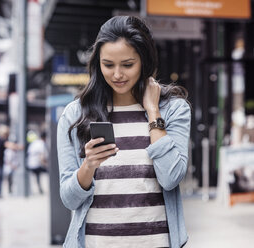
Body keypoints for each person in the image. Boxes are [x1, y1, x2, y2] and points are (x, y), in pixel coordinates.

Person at [57, 16, 191, 248]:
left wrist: (152, 111)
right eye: (108, 65)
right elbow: (69, 200)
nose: (117, 74)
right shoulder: (76, 115)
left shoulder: (172, 110)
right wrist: (88, 166)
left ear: (144, 61)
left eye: (127, 65)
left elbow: (171, 178)